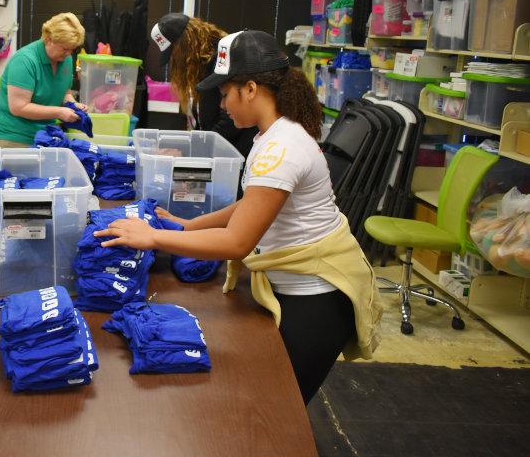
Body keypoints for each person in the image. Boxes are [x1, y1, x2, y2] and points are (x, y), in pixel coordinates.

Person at [95, 30, 381, 404]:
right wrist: (189, 225)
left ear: (250, 88)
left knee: (280, 409)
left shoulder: (281, 148)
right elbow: (251, 204)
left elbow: (237, 242)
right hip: (294, 285)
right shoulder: (271, 135)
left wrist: (153, 237)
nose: (223, 103)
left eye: (226, 93)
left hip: (316, 296)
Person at [151, 13, 258, 157]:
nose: (173, 60)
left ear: (184, 44)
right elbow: (205, 118)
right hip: (221, 153)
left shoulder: (221, 62)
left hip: (236, 155)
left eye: (173, 52)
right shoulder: (200, 67)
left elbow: (230, 120)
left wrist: (192, 150)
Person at [0, 12, 87, 147]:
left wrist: (73, 105)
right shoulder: (24, 61)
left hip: (46, 136)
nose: (69, 54)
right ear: (48, 39)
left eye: (72, 49)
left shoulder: (65, 59)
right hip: (14, 136)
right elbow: (19, 107)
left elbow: (65, 92)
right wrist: (59, 112)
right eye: (65, 48)